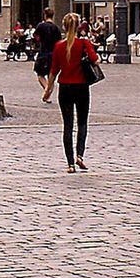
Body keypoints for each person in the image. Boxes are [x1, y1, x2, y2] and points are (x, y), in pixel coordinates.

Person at [42, 11, 98, 172]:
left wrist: (48, 90)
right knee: (82, 123)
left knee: (67, 125)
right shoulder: (84, 43)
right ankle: (80, 155)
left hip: (65, 88)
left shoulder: (59, 46)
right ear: (79, 25)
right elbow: (96, 60)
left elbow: (53, 71)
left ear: (64, 26)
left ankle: (70, 164)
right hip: (81, 87)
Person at [32, 12, 62, 96]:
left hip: (43, 53)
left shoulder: (41, 25)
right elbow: (59, 42)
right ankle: (48, 92)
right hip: (54, 54)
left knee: (40, 74)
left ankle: (46, 90)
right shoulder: (56, 28)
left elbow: (36, 37)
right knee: (51, 77)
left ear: (45, 15)